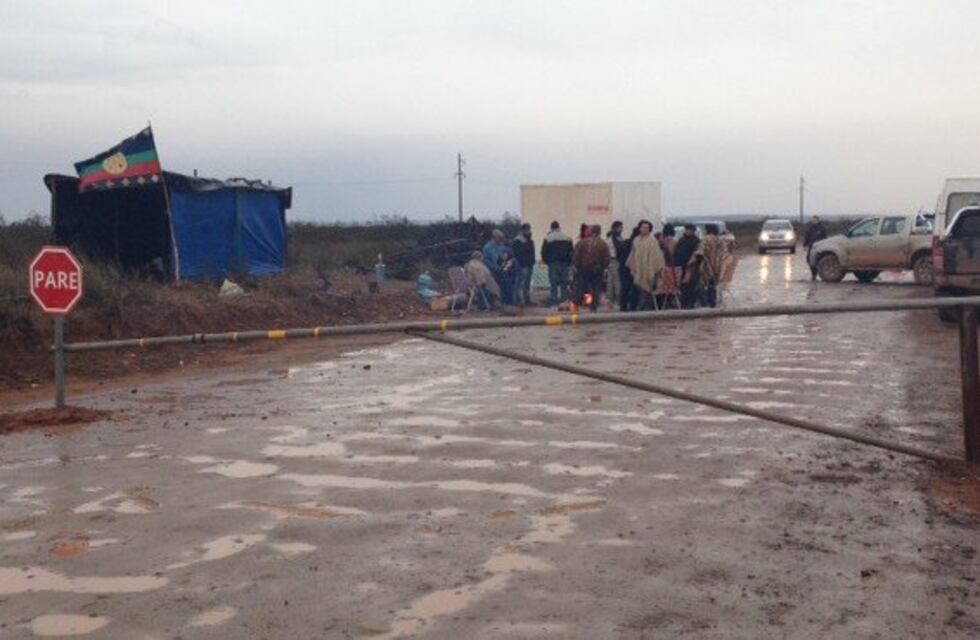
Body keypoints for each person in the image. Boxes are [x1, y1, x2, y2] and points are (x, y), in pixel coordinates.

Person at [625, 219, 666, 310]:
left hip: (649, 269)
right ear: (639, 228)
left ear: (649, 229)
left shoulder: (652, 241)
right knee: (638, 291)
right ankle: (639, 308)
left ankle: (648, 309)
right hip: (638, 269)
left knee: (648, 292)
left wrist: (654, 269)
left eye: (646, 228)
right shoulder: (636, 240)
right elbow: (633, 255)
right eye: (642, 227)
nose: (644, 229)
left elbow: (656, 257)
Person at [687, 223, 728, 308]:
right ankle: (713, 304)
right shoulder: (720, 240)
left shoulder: (706, 239)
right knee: (713, 286)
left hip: (706, 267)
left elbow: (699, 252)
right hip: (717, 267)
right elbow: (725, 254)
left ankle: (705, 304)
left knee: (701, 286)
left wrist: (692, 263)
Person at [572, 224, 610, 311]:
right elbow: (607, 258)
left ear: (591, 232)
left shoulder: (582, 242)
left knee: (581, 286)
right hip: (597, 268)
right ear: (600, 232)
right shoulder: (603, 244)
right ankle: (594, 306)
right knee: (596, 287)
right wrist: (603, 266)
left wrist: (576, 265)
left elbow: (576, 256)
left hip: (583, 268)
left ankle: (576, 304)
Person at [540, 221, 573, 305]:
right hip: (564, 263)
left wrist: (547, 262)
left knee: (553, 282)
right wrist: (569, 262)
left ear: (551, 228)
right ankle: (564, 299)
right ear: (559, 227)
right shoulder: (567, 237)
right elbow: (571, 251)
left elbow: (544, 252)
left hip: (553, 263)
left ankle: (554, 299)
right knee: (564, 282)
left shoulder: (548, 238)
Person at [674, 224, 700, 308]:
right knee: (682, 287)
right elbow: (676, 253)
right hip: (681, 267)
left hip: (692, 268)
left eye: (690, 230)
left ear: (693, 231)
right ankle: (683, 304)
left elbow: (698, 255)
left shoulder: (697, 241)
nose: (688, 231)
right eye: (687, 230)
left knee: (691, 287)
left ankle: (691, 304)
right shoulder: (681, 240)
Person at [511, 223, 535, 306]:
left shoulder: (529, 240)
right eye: (527, 229)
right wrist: (523, 264)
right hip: (522, 265)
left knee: (526, 284)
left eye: (529, 229)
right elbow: (519, 254)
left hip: (529, 264)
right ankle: (519, 300)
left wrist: (532, 262)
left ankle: (526, 299)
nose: (529, 231)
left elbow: (531, 252)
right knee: (520, 283)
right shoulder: (518, 240)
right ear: (522, 230)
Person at [614, 224, 635, 312]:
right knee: (633, 288)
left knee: (624, 288)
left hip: (623, 267)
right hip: (630, 268)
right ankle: (631, 306)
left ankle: (623, 306)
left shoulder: (624, 242)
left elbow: (619, 254)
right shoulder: (633, 244)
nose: (621, 229)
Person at [605, 221, 624, 307]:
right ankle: (618, 298)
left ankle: (610, 299)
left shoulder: (612, 238)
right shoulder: (615, 239)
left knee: (610, 280)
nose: (621, 229)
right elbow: (619, 249)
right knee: (616, 280)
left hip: (611, 261)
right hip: (614, 260)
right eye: (620, 227)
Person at [804, 216, 828, 281]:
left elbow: (825, 238)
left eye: (815, 220)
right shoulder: (810, 229)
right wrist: (805, 245)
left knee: (818, 261)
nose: (814, 221)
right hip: (811, 247)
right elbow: (806, 237)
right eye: (813, 220)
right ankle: (813, 275)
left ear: (818, 220)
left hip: (819, 248)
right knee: (809, 260)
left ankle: (820, 274)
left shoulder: (822, 229)